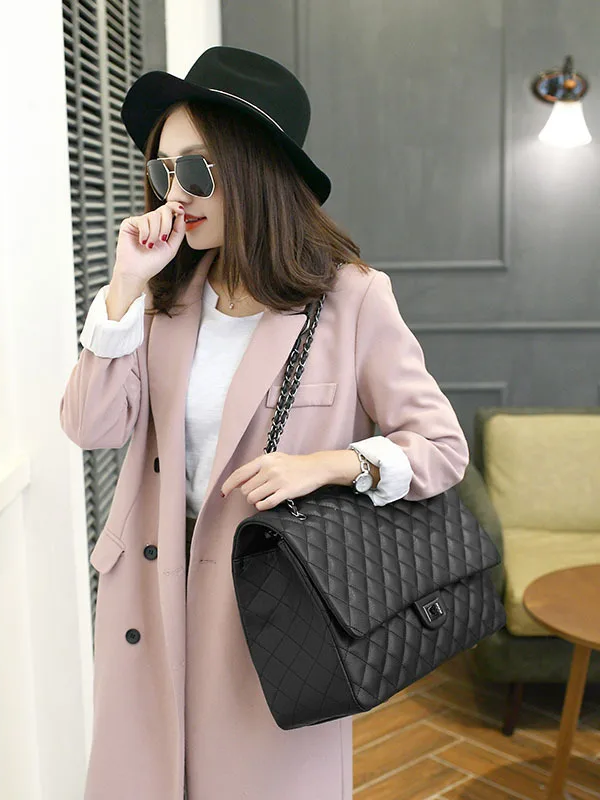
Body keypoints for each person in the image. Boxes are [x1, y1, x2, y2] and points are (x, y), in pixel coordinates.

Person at [59, 45, 469, 800]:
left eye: (197, 170)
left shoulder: (351, 299)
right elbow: (91, 426)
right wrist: (122, 287)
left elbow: (442, 448)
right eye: (163, 170)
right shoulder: (162, 300)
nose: (175, 193)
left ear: (255, 169)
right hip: (151, 592)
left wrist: (330, 464)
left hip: (272, 612)